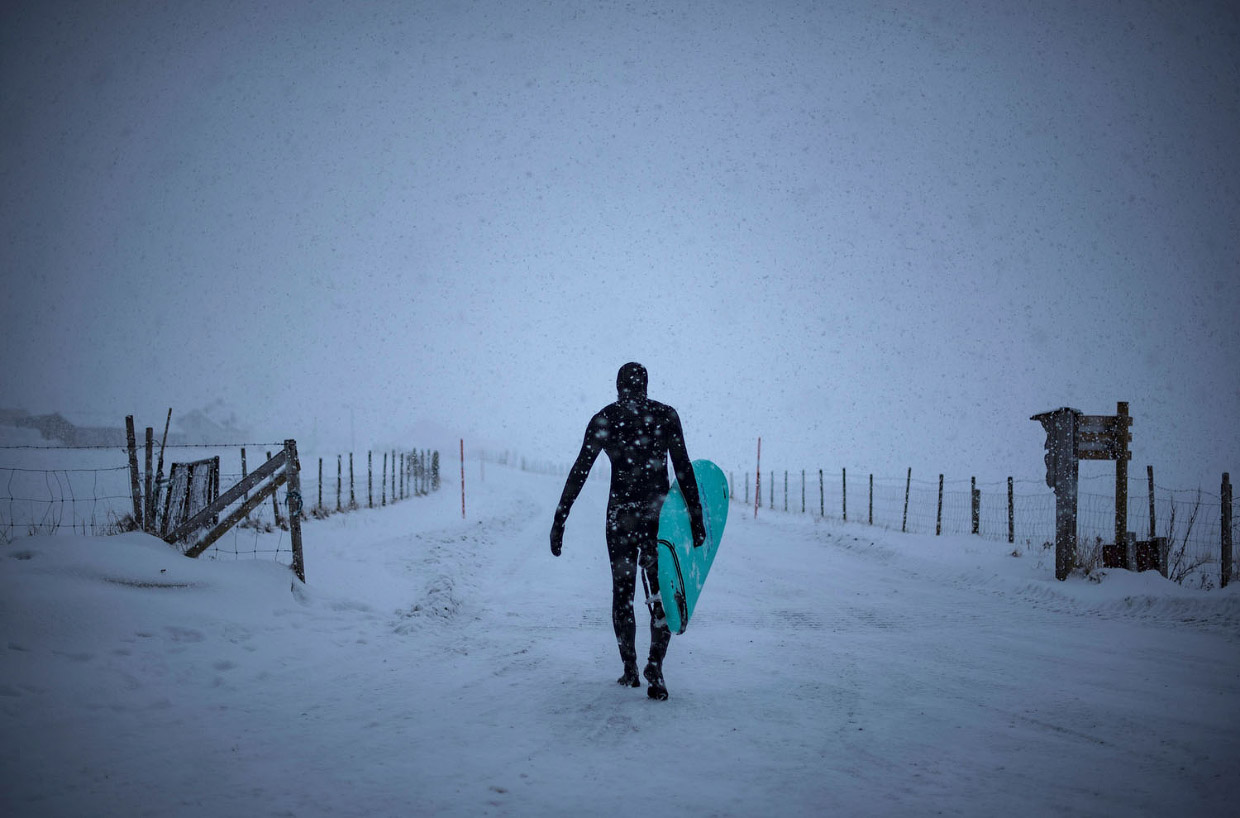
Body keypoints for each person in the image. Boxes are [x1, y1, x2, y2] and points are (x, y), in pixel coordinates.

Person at [550, 362, 706, 700]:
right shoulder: (665, 416)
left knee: (623, 595)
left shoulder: (605, 418)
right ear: (645, 385)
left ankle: (630, 669)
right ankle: (655, 664)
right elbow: (683, 469)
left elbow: (580, 471)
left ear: (619, 386)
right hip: (657, 517)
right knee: (661, 592)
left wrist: (560, 518)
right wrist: (696, 519)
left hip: (621, 518)